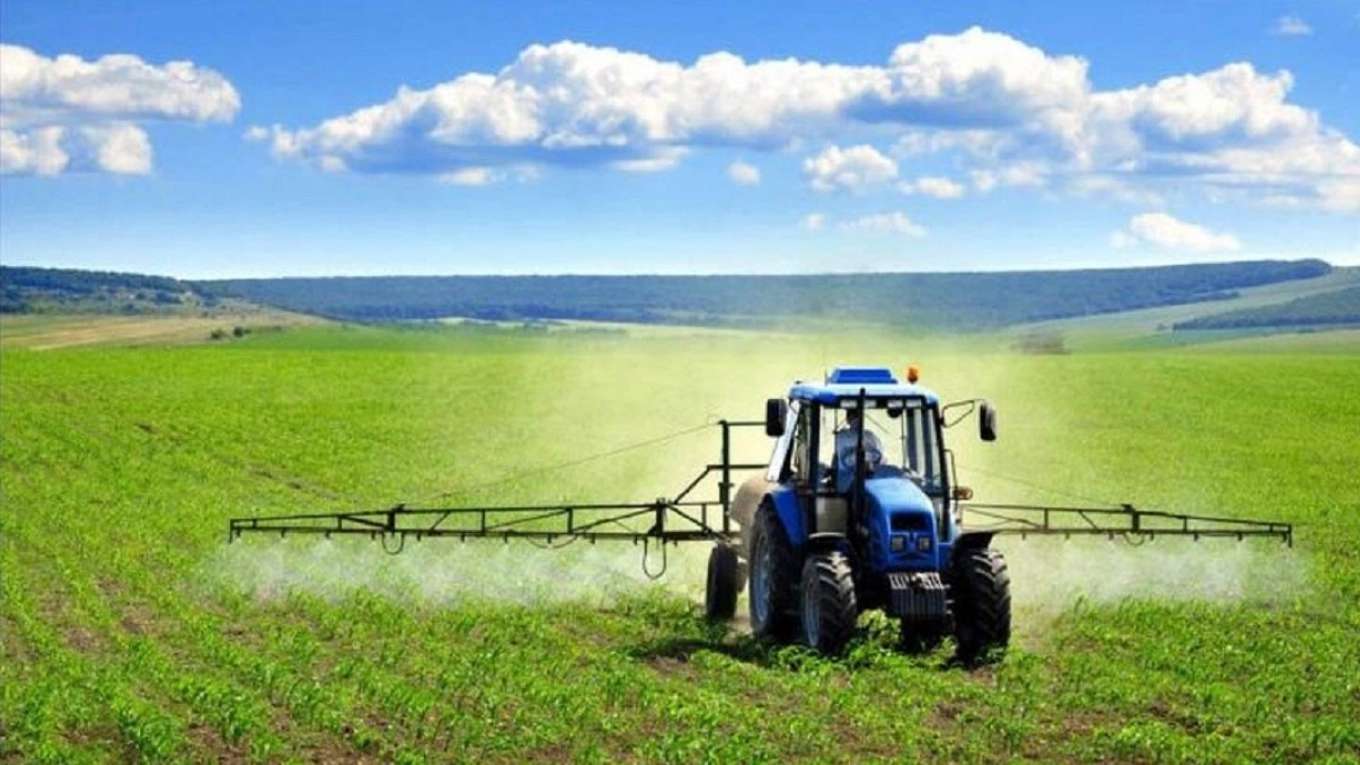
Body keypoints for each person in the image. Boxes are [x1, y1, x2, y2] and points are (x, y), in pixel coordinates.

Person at [834, 407, 883, 488]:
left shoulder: (870, 435)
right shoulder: (842, 436)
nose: (856, 420)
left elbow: (879, 455)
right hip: (848, 480)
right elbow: (845, 458)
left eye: (857, 417)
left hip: (870, 477)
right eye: (854, 417)